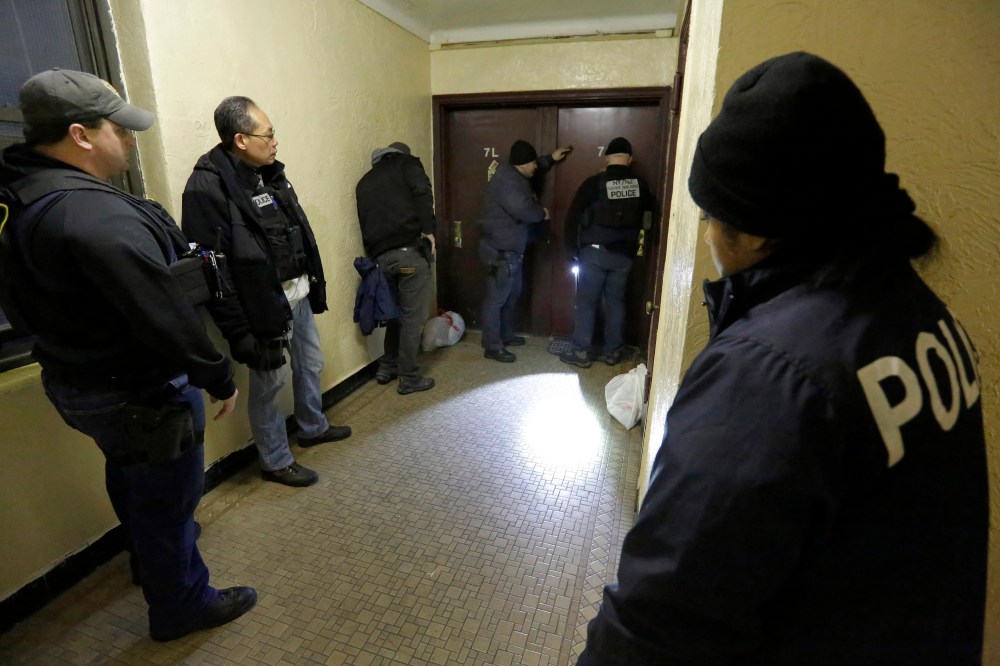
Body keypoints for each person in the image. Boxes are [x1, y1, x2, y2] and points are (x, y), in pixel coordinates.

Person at [579, 52, 987, 665]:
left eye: (713, 215)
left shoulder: (767, 372)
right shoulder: (920, 313)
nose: (710, 235)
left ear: (760, 229)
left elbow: (658, 624)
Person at [0, 68, 257, 641]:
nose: (131, 139)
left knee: (133, 473)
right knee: (170, 495)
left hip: (75, 378)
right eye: (120, 129)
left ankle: (150, 561)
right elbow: (162, 314)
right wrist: (217, 376)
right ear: (80, 134)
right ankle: (182, 606)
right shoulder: (95, 216)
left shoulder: (18, 195)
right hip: (136, 389)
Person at [182, 96, 350, 488]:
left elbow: (294, 232)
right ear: (241, 139)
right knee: (270, 383)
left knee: (310, 363)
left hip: (297, 294)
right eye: (268, 134)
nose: (275, 142)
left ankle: (312, 425)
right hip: (263, 308)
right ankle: (275, 460)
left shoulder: (270, 173)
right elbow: (213, 269)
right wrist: (238, 329)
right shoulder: (207, 186)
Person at [560, 137, 655, 368]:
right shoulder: (641, 186)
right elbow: (649, 221)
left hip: (593, 253)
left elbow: (573, 216)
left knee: (586, 303)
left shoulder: (594, 183)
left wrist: (572, 250)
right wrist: (641, 253)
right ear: (629, 159)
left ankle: (582, 352)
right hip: (624, 256)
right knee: (616, 304)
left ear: (607, 158)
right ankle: (613, 352)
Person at [478, 139, 571, 362]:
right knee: (496, 299)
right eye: (532, 163)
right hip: (499, 250)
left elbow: (535, 164)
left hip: (510, 249)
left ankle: (506, 335)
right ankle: (492, 346)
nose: (536, 166)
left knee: (511, 294)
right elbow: (522, 209)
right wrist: (542, 213)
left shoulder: (515, 173)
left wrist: (550, 158)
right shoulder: (508, 181)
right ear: (521, 165)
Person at [355, 142, 436, 394]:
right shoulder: (407, 164)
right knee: (413, 318)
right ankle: (409, 377)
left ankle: (387, 367)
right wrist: (429, 230)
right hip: (409, 254)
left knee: (395, 315)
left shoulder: (364, 182)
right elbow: (423, 192)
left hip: (380, 260)